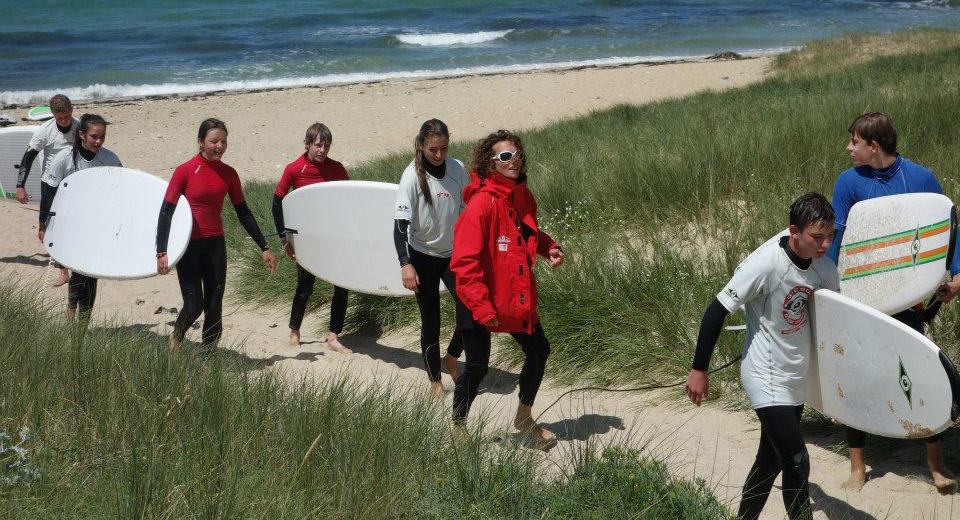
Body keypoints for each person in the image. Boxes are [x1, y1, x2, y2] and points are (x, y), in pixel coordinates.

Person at [827, 112, 960, 492]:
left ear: (874, 146)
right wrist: (825, 287)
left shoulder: (920, 178)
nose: (848, 148)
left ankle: (935, 462)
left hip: (908, 297)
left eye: (854, 141)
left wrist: (957, 278)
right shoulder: (848, 182)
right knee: (857, 372)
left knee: (915, 371)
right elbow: (839, 240)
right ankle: (858, 466)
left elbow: (949, 230)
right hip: (861, 296)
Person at [686, 192, 839, 520]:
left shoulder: (825, 270)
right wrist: (700, 369)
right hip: (765, 374)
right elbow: (716, 311)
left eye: (830, 236)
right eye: (817, 237)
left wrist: (838, 393)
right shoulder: (766, 264)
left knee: (769, 462)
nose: (825, 244)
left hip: (796, 375)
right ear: (794, 232)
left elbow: (833, 329)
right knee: (797, 460)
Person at [450, 129, 564, 444]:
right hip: (477, 296)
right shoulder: (481, 204)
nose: (513, 161)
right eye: (504, 156)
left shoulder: (524, 196)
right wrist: (483, 308)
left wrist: (548, 246)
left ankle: (524, 417)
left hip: (512, 292)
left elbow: (527, 232)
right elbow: (464, 262)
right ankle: (458, 426)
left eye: (516, 154)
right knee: (476, 365)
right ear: (490, 163)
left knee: (539, 350)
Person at [156, 118, 276, 352]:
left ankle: (209, 357)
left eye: (224, 141)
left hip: (215, 244)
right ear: (201, 142)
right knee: (193, 305)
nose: (220, 146)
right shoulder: (185, 171)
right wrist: (161, 250)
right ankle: (176, 339)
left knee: (215, 305)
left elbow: (244, 213)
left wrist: (264, 247)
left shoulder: (229, 173)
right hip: (188, 245)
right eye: (214, 141)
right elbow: (166, 211)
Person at [393, 119, 468, 396]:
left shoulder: (458, 169)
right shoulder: (411, 175)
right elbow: (399, 226)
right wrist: (405, 263)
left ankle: (451, 358)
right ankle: (435, 378)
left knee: (470, 309)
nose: (439, 155)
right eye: (433, 149)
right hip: (422, 256)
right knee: (431, 321)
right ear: (422, 145)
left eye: (444, 149)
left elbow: (466, 211)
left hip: (453, 255)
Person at [271, 123, 352, 353]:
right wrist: (284, 237)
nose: (322, 150)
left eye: (326, 145)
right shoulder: (294, 169)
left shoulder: (336, 169)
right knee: (305, 287)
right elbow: (277, 202)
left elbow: (348, 201)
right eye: (318, 145)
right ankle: (295, 331)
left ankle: (333, 336)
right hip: (307, 239)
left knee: (342, 286)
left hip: (333, 237)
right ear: (307, 144)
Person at [39, 113, 122, 327]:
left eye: (102, 136)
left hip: (97, 226)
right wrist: (43, 225)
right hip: (71, 225)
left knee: (91, 273)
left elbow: (122, 193)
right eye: (94, 136)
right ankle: (71, 310)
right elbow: (48, 191)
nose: (99, 141)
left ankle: (82, 323)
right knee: (79, 270)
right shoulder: (65, 158)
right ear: (81, 134)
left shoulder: (110, 159)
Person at [16, 94, 78, 287]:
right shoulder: (45, 131)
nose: (64, 121)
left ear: (71, 110)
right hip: (50, 184)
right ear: (52, 114)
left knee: (75, 223)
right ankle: (63, 271)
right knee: (49, 227)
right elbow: (27, 158)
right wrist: (20, 186)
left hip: (75, 182)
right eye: (59, 118)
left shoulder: (79, 127)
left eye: (67, 116)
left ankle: (76, 260)